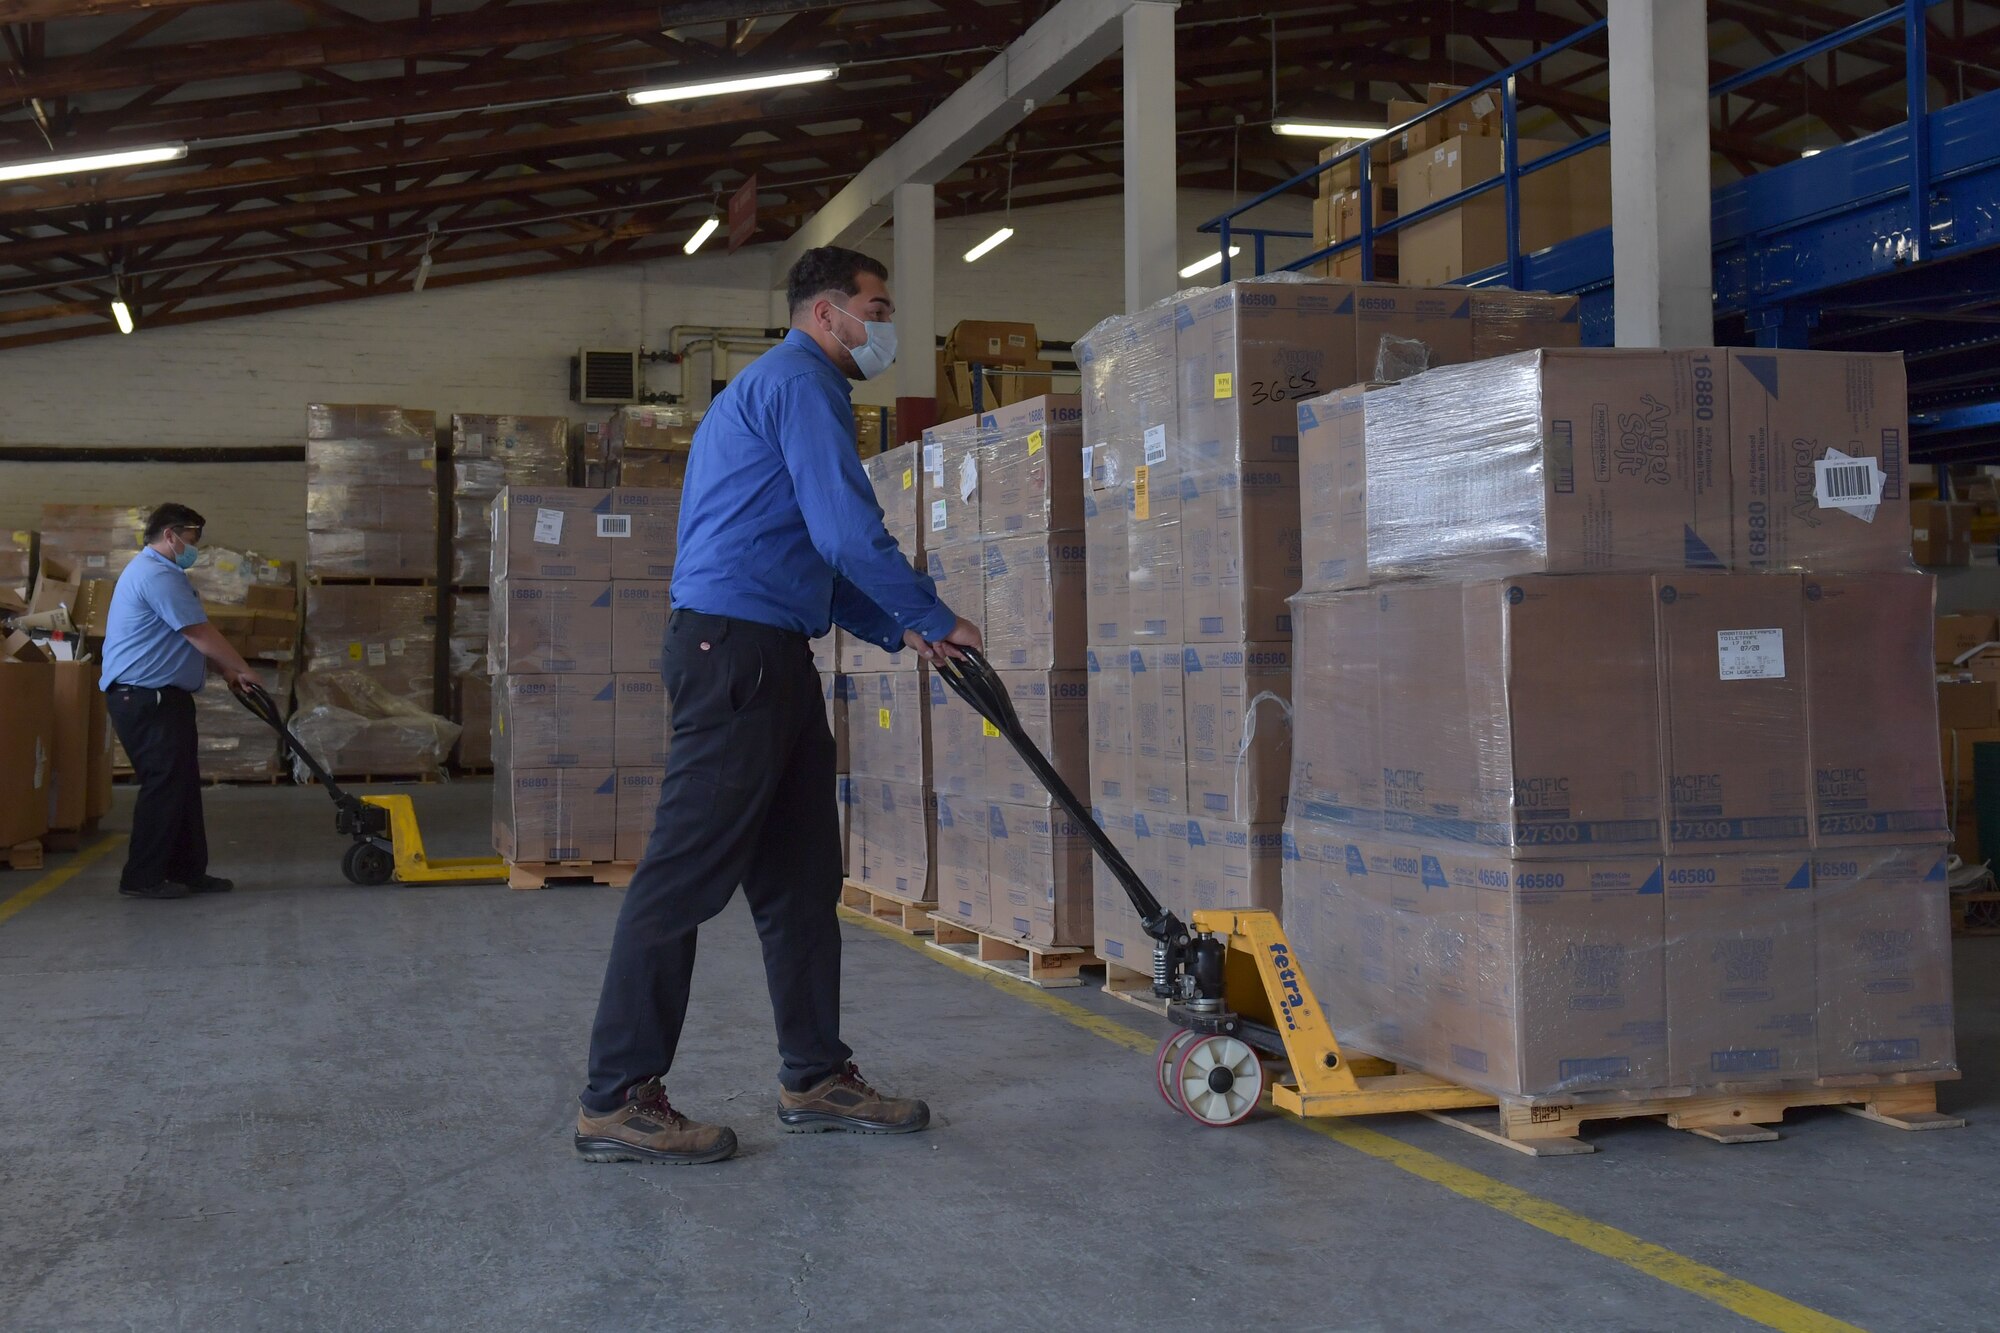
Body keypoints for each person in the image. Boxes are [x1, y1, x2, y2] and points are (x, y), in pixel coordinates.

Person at [575, 247, 982, 1166]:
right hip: (736, 657)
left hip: (768, 653)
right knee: (682, 878)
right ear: (828, 313)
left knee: (801, 881)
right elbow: (846, 531)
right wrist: (933, 611)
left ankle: (815, 1075)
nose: (886, 326)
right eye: (877, 307)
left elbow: (802, 557)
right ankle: (615, 1097)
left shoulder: (780, 390)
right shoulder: (800, 384)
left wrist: (900, 629)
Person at [98, 504, 262, 901]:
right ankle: (141, 877)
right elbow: (197, 631)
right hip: (144, 696)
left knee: (181, 785)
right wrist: (241, 667)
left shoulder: (163, 573)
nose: (195, 549)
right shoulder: (155, 574)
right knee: (164, 785)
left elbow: (181, 637)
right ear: (170, 535)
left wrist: (225, 672)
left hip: (160, 696)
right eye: (192, 539)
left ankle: (188, 871)